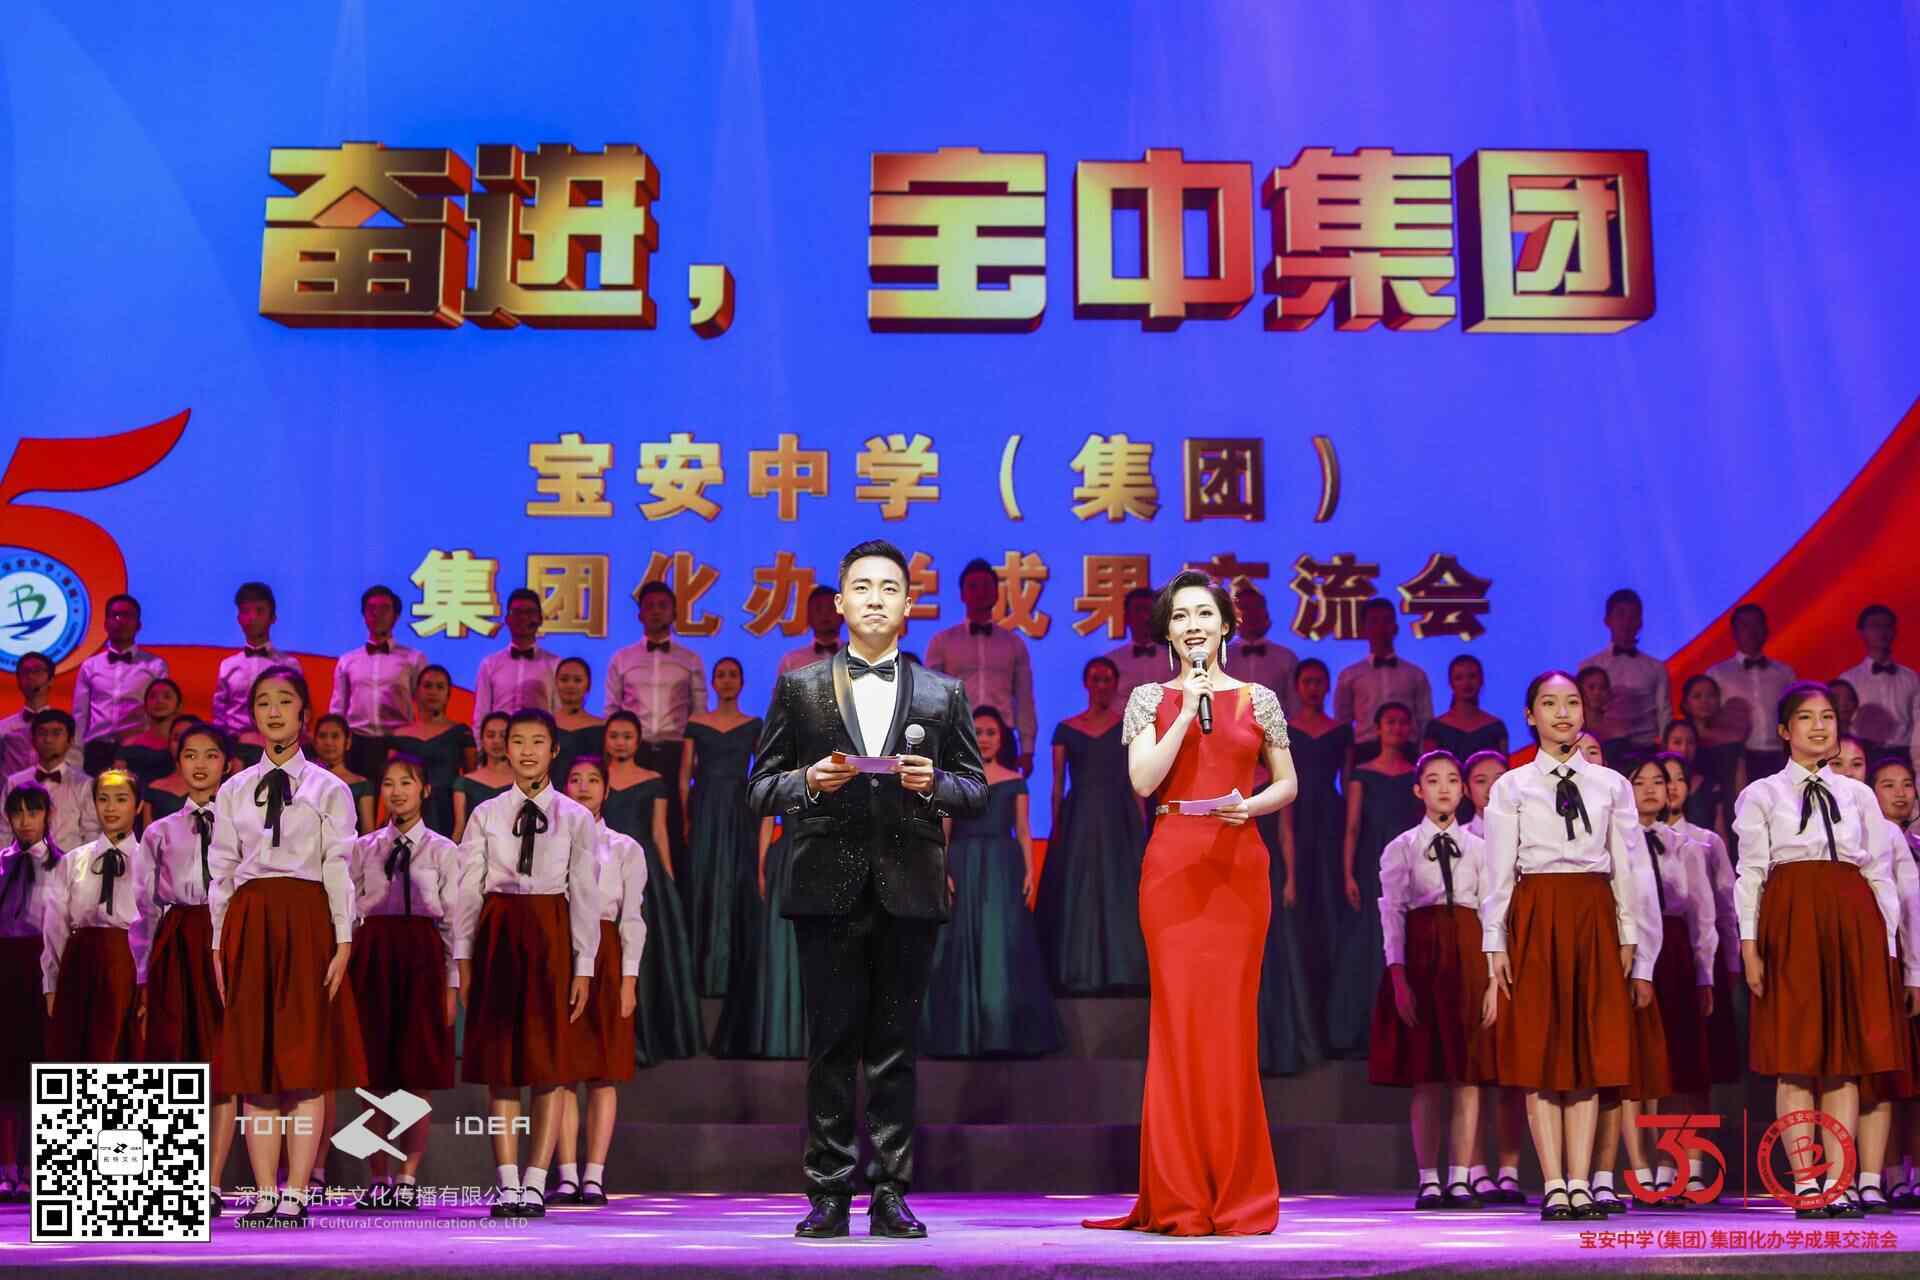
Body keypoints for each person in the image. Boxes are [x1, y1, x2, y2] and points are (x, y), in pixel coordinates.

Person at [746, 538, 988, 1240]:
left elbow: (976, 789)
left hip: (909, 886)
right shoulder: (799, 686)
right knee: (829, 1047)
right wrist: (806, 782)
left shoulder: (944, 692)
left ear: (910, 605)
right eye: (862, 587)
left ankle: (889, 1192)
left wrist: (934, 783)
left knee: (894, 1049)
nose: (876, 599)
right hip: (825, 885)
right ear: (840, 603)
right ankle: (828, 1192)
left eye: (889, 588)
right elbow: (760, 787)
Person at [1085, 569, 1295, 1237]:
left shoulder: (1259, 699)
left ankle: (1237, 1193)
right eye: (1180, 617)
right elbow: (1144, 781)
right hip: (1174, 863)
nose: (1193, 626)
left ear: (1226, 625)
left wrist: (1249, 806)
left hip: (1238, 866)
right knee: (1178, 1026)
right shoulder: (1149, 698)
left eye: (1204, 614)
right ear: (1168, 632)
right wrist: (1184, 711)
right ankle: (1179, 1196)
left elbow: (1287, 782)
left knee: (1231, 1028)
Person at [1732, 682, 1909, 1219]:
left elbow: (1879, 873)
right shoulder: (1762, 794)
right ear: (1784, 730)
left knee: (1844, 1062)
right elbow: (1751, 874)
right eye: (1806, 718)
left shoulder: (1858, 795)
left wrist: (1885, 943)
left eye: (1827, 716)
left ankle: (1840, 1180)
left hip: (1851, 920)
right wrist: (1750, 945)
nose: (1819, 726)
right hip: (1790, 921)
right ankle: (1806, 1181)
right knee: (1796, 1060)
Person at [1480, 671, 1646, 1223]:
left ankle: (1581, 1181)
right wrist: (1495, 942)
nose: (1563, 713)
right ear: (1531, 716)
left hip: (1593, 912)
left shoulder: (1611, 785)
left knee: (1587, 1048)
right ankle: (1554, 1183)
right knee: (1542, 1048)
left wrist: (1629, 934)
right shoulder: (1512, 787)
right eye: (1549, 704)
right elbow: (1498, 872)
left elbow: (1627, 866)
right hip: (1537, 913)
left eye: (1572, 702)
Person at [209, 666, 368, 1226]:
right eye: (263, 703)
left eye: (284, 701)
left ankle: (296, 1191)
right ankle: (263, 1192)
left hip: (307, 921)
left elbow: (339, 866)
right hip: (250, 922)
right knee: (255, 1063)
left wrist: (343, 939)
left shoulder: (329, 789)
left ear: (305, 713)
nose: (273, 712)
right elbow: (222, 873)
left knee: (304, 1059)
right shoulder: (232, 790)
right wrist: (217, 946)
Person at [452, 707, 599, 1221]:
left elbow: (585, 895)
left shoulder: (575, 817)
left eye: (538, 741)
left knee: (549, 1065)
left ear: (554, 750)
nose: (528, 751)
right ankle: (508, 1181)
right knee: (502, 1066)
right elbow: (467, 890)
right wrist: (463, 958)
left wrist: (584, 966)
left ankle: (537, 1180)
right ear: (504, 748)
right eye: (518, 741)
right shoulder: (486, 814)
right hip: (498, 933)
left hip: (551, 932)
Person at [1369, 749, 1495, 1209]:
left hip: (1470, 958)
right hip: (1423, 962)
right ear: (1418, 790)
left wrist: (1493, 979)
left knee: (1467, 1075)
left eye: (1453, 780)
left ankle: (1460, 1177)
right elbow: (1393, 915)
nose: (1444, 788)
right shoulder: (1401, 848)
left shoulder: (1481, 849)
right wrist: (1398, 977)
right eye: (1434, 780)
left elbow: (1492, 913)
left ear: (1463, 790)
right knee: (1427, 1076)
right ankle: (1428, 1178)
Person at [346, 753, 459, 1211]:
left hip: (423, 957)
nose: (397, 791)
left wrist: (451, 985)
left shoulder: (444, 850)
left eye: (406, 783)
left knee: (417, 1071)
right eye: (389, 783)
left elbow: (454, 923)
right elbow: (348, 912)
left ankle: (408, 1176)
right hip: (373, 955)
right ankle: (378, 1177)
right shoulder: (363, 848)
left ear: (425, 790)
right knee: (371, 1073)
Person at [919, 705, 1062, 1058]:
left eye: (991, 733)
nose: (984, 739)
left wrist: (1030, 871)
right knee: (960, 943)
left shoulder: (1015, 780)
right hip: (963, 865)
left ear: (1002, 739)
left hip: (1002, 867)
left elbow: (1024, 831)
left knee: (1001, 943)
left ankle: (1004, 1034)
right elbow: (943, 833)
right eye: (979, 732)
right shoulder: (953, 780)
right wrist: (940, 870)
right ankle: (958, 1035)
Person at [1609, 755, 1714, 1209]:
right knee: (1637, 1069)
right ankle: (1640, 1170)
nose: (1653, 789)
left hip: (1676, 958)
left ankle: (1675, 1168)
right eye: (1641, 782)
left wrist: (1705, 973)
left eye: (1660, 780)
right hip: (1629, 954)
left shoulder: (1685, 845)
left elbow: (1703, 914)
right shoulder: (1614, 842)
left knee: (1680, 1069)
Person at [139, 724, 236, 1215]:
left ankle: (213, 1183)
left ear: (227, 764)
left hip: (226, 940)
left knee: (222, 1063)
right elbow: (143, 908)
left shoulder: (242, 826)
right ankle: (177, 1179)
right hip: (177, 940)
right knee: (175, 1061)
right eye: (190, 755)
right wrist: (142, 974)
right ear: (178, 764)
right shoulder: (159, 832)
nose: (200, 764)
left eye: (211, 755)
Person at [553, 755, 646, 1206]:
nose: (584, 787)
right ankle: (566, 1175)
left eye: (593, 780)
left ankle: (594, 1175)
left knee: (603, 1074)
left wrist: (629, 980)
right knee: (561, 1074)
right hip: (561, 954)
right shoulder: (550, 842)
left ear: (607, 790)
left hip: (607, 956)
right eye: (575, 779)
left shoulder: (624, 847)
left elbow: (632, 919)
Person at [1038, 656, 1148, 995]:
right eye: (1096, 679)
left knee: (1120, 887)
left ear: (1116, 685)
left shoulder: (1129, 727)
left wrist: (1143, 825)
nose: (1101, 685)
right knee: (1081, 888)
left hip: (1118, 816)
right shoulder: (1066, 728)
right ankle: (1078, 971)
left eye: (1107, 680)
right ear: (1086, 683)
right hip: (1081, 817)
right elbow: (1057, 784)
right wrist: (1056, 828)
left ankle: (1124, 970)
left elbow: (1137, 780)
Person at [1327, 703, 1423, 1057]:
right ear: (1378, 728)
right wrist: (1348, 874)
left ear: (1410, 729)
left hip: (1406, 865)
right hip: (1371, 866)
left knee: (1402, 942)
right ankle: (1361, 1030)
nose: (1396, 728)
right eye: (1390, 722)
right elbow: (1352, 828)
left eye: (1402, 722)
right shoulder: (1362, 775)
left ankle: (1402, 1030)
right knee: (1367, 942)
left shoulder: (1416, 774)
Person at [601, 709, 696, 1064]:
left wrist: (667, 877)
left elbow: (659, 832)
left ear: (638, 741)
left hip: (644, 872)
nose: (620, 742)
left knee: (645, 953)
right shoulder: (594, 777)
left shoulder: (654, 780)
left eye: (627, 736)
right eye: (614, 736)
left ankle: (648, 1036)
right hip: (602, 869)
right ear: (605, 740)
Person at [42, 768, 152, 1065]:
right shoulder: (73, 861)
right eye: (103, 799)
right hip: (80, 965)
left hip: (128, 968)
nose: (111, 807)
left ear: (138, 806)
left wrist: (149, 984)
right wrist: (51, 984)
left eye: (121, 799)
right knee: (79, 1055)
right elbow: (55, 928)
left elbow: (157, 925)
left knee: (121, 1054)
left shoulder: (149, 862)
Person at [1457, 750, 1528, 1206]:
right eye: (1481, 780)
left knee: (1513, 1069)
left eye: (1499, 777)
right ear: (1468, 789)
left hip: (1524, 949)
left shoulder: (1529, 831)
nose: (1491, 787)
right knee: (1478, 1066)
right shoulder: (1463, 840)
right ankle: (1476, 1167)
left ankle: (1510, 1169)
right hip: (1478, 957)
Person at [604, 580, 704, 898]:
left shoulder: (690, 659)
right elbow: (612, 710)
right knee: (632, 826)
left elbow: (699, 714)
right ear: (639, 615)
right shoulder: (622, 658)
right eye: (649, 606)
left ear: (674, 612)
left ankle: (669, 899)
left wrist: (695, 762)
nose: (656, 611)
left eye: (663, 605)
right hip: (636, 751)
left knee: (674, 829)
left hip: (676, 754)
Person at [1661, 753, 1745, 1117]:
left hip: (1702, 960)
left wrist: (1732, 963)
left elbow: (1726, 909)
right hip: (1659, 956)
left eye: (1679, 779)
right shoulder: (1632, 840)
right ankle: (1654, 1149)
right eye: (1663, 779)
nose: (1671, 787)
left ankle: (1694, 1148)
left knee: (1699, 1062)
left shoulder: (1707, 842)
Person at [682, 658, 760, 998]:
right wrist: (686, 817)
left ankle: (731, 973)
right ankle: (699, 972)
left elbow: (762, 772)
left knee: (735, 878)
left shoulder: (753, 724)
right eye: (721, 675)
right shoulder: (696, 722)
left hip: (739, 808)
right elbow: (684, 776)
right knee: (703, 877)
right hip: (705, 806)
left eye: (733, 675)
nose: (727, 681)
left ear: (742, 682)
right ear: (712, 683)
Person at [1863, 756, 1920, 1211]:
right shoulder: (1866, 838)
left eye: (1907, 784)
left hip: (1913, 963)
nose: (1900, 793)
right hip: (1888, 962)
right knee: (1891, 1072)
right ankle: (1890, 1173)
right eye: (1888, 785)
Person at [0, 784, 59, 1202]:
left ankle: (41, 1165)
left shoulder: (64, 864)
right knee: (6, 1065)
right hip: (5, 967)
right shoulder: (1, 863)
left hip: (43, 965)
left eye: (32, 812)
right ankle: (7, 1166)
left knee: (42, 1063)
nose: (25, 821)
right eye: (17, 813)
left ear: (47, 815)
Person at [1281, 658, 1352, 1001]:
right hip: (1296, 811)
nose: (1313, 688)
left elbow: (1349, 782)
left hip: (1331, 814)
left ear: (1328, 686)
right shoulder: (1284, 729)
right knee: (1302, 900)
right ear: (1297, 687)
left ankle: (1334, 986)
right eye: (1307, 682)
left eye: (1319, 682)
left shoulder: (1341, 731)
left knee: (1330, 894)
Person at [926, 559, 1037, 774]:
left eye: (986, 586)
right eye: (973, 586)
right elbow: (932, 697)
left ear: (996, 593)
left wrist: (1028, 748)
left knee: (1003, 795)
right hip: (957, 735)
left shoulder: (1014, 643)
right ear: (962, 594)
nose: (980, 592)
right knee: (956, 794)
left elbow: (1024, 699)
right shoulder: (942, 642)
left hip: (1002, 737)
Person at [708, 812, 805, 1059]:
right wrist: (761, 868)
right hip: (786, 860)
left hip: (813, 859)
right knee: (777, 941)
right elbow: (768, 821)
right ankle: (780, 1035)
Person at [330, 585, 427, 781]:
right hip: (357, 743)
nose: (377, 614)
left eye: (384, 609)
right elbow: (338, 708)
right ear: (364, 615)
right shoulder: (347, 660)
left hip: (398, 741)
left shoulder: (414, 659)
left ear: (396, 615)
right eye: (371, 609)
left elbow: (424, 705)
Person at [71, 593, 168, 774]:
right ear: (106, 623)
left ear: (138, 625)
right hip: (97, 749)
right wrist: (75, 754)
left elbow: (163, 712)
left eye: (127, 616)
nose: (120, 621)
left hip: (138, 748)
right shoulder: (90, 666)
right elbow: (80, 715)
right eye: (115, 615)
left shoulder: (155, 666)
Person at [1334, 598, 1433, 766]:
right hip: (1365, 750)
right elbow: (1342, 723)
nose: (1380, 627)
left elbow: (1425, 721)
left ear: (1395, 628)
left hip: (1407, 751)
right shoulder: (1349, 675)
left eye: (1386, 621)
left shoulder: (1415, 674)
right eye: (1374, 621)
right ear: (1364, 629)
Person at [1706, 604, 1796, 782]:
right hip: (1737, 757)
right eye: (1745, 625)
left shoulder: (1785, 673)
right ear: (1734, 632)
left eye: (1757, 624)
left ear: (1766, 629)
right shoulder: (1717, 674)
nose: (1752, 631)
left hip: (1779, 754)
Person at [1579, 589, 1670, 760]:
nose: (1627, 622)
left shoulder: (1656, 667)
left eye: (1633, 616)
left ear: (1640, 622)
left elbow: (1664, 714)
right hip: (1603, 750)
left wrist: (1666, 754)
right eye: (1621, 614)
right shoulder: (1588, 666)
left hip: (1647, 751)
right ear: (1607, 620)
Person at [388, 665, 474, 839]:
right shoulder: (397, 736)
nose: (433, 692)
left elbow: (471, 780)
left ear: (448, 694)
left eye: (440, 687)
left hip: (448, 812)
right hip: (407, 811)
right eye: (427, 686)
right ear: (416, 692)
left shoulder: (461, 733)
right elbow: (389, 781)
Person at [2, 709, 98, 851]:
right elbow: (4, 831)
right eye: (42, 733)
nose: (48, 739)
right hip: (23, 861)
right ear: (33, 739)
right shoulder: (14, 783)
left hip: (69, 862)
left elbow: (91, 834)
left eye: (56, 733)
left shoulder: (85, 784)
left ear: (70, 740)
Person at [1422, 656, 1508, 808]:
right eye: (1459, 678)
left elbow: (1504, 775)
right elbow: (1429, 773)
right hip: (1447, 806)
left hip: (1488, 804)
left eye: (1472, 676)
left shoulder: (1496, 727)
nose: (1467, 683)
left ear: (1481, 680)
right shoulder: (1435, 728)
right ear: (1450, 683)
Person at [1842, 605, 1920, 766]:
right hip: (1864, 754)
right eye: (1875, 626)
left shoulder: (1911, 678)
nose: (1882, 632)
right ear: (1862, 632)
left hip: (1904, 754)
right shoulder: (1849, 679)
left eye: (1887, 626)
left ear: (1895, 631)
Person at [471, 588, 559, 729]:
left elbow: (558, 714)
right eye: (517, 612)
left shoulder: (555, 664)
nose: (524, 618)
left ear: (540, 619)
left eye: (530, 612)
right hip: (500, 740)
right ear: (507, 619)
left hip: (539, 738)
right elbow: (481, 715)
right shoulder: (489, 664)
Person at [213, 583, 291, 739]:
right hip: (234, 744)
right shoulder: (227, 666)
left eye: (259, 611)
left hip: (276, 743)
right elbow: (219, 717)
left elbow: (297, 712)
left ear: (273, 617)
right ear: (238, 619)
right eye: (245, 612)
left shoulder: (288, 665)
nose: (252, 618)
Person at [1679, 675, 1746, 848]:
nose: (1705, 701)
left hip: (1729, 807)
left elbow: (1740, 783)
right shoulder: (1680, 736)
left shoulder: (1732, 739)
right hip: (1692, 809)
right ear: (1685, 703)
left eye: (1711, 695)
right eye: (1697, 696)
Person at [1, 652, 81, 776]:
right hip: (14, 787)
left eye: (37, 670)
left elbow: (76, 765)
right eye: (25, 671)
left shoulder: (66, 725)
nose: (31, 676)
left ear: (51, 680)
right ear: (18, 682)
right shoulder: (3, 728)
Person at [1230, 582, 1299, 719]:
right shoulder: (1219, 657)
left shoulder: (1286, 658)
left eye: (1256, 609)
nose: (1250, 615)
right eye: (1244, 609)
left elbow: (1295, 707)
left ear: (1266, 615)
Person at [452, 713, 513, 843]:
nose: (496, 741)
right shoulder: (465, 782)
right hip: (475, 851)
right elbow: (459, 830)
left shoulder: (523, 781)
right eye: (490, 735)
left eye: (503, 736)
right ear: (481, 740)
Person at [115, 678, 185, 793]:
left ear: (179, 706)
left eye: (167, 697)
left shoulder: (186, 744)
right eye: (153, 697)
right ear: (145, 706)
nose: (159, 701)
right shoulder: (129, 744)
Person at [312, 714, 375, 834]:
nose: (328, 742)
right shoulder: (304, 780)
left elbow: (368, 833)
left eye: (335, 736)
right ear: (314, 741)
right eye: (322, 736)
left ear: (348, 741)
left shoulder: (362, 784)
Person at [550, 657, 607, 788]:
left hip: (588, 794)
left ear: (589, 685)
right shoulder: (543, 725)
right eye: (564, 679)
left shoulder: (602, 728)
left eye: (577, 680)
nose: (570, 685)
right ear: (556, 683)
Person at [1102, 587, 1166, 700]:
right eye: (1138, 610)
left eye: (1149, 610)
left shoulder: (1175, 658)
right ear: (1126, 617)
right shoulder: (1112, 661)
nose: (1145, 617)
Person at [779, 584, 845, 676]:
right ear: (808, 616)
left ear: (843, 615)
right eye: (818, 609)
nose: (825, 615)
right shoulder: (791, 661)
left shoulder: (856, 656)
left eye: (831, 608)